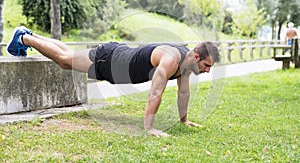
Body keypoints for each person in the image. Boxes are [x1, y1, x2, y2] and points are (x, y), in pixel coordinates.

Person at [7, 26, 221, 137]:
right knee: (65, 61)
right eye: (207, 66)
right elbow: (156, 92)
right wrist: (149, 128)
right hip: (110, 60)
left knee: (69, 56)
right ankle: (24, 39)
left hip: (115, 59)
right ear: (195, 57)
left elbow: (183, 93)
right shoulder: (172, 58)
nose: (207, 71)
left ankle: (27, 35)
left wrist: (183, 120)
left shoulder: (185, 66)